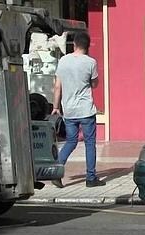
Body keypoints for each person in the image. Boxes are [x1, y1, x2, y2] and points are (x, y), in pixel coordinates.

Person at [51, 31, 106, 188]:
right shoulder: (90, 62)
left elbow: (57, 86)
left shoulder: (63, 61)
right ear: (87, 47)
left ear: (74, 44)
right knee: (90, 143)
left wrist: (55, 107)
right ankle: (90, 178)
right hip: (86, 110)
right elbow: (95, 84)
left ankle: (56, 171)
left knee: (71, 142)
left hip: (69, 110)